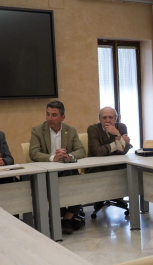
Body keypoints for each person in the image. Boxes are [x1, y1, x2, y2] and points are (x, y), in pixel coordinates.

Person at [30, 100, 86, 235]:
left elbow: (81, 150)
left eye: (54, 115)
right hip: (47, 172)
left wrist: (69, 156)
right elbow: (33, 153)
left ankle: (67, 217)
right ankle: (61, 216)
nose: (50, 118)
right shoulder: (37, 130)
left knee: (78, 181)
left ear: (63, 117)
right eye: (48, 114)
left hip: (67, 170)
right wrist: (52, 158)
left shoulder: (71, 130)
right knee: (64, 181)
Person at [87, 107, 132, 215]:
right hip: (97, 166)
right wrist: (117, 143)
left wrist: (117, 134)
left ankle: (118, 196)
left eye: (110, 117)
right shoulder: (93, 129)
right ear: (99, 119)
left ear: (116, 119)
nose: (107, 120)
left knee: (129, 170)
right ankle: (100, 198)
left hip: (116, 166)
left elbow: (124, 151)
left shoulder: (121, 127)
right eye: (104, 117)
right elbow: (98, 151)